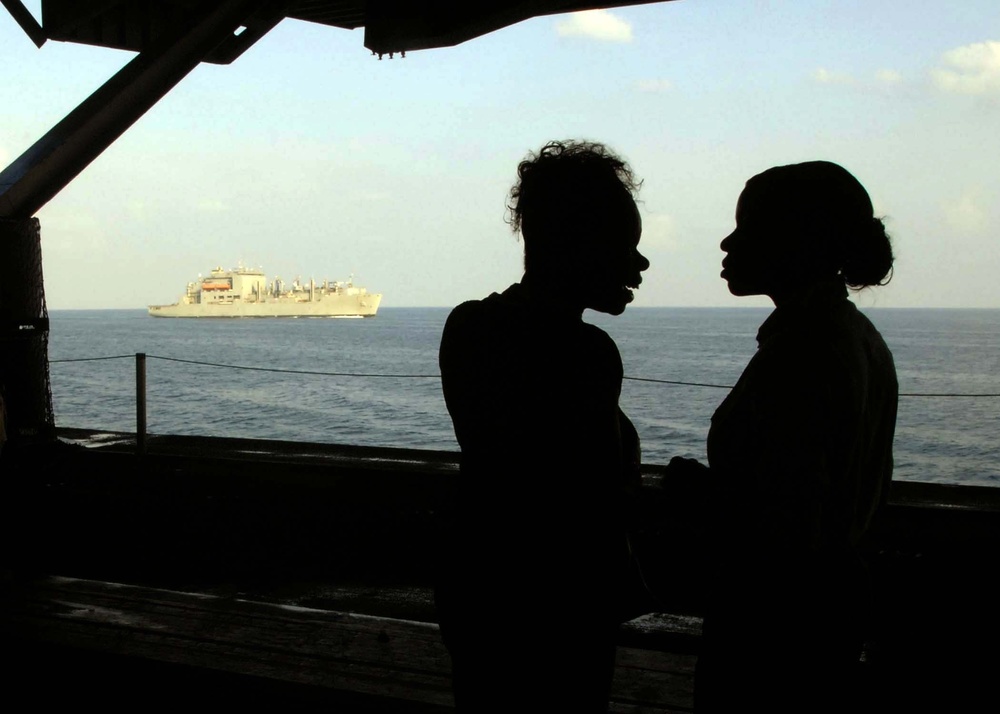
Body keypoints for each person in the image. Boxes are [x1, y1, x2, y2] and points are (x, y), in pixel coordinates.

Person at [436, 140, 650, 712]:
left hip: (481, 592)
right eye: (621, 247)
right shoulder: (590, 354)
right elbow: (591, 499)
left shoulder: (469, 327)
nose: (639, 264)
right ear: (574, 246)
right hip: (562, 607)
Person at [691, 160, 898, 712]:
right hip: (825, 611)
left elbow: (785, 523)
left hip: (774, 623)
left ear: (798, 239)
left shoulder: (804, 352)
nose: (728, 241)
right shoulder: (854, 336)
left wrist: (700, 496)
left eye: (749, 226)